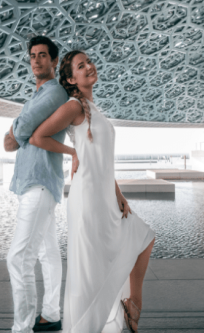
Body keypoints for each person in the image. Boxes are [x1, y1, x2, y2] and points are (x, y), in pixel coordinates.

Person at [29, 50, 155, 333]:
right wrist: (72, 151)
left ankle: (132, 304)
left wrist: (118, 193)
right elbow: (39, 136)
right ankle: (100, 321)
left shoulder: (94, 108)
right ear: (72, 78)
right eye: (81, 66)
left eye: (89, 62)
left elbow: (101, 159)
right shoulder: (74, 106)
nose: (89, 67)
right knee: (89, 274)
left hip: (105, 197)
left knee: (143, 237)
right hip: (87, 202)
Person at [3, 36, 70, 333]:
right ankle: (52, 314)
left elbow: (15, 136)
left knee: (18, 258)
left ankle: (23, 327)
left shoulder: (54, 94)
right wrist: (18, 129)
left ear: (54, 61)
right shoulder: (37, 96)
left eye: (43, 55)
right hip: (37, 183)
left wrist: (15, 129)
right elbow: (19, 132)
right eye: (32, 55)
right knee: (47, 253)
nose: (36, 60)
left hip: (39, 184)